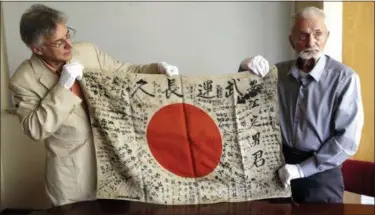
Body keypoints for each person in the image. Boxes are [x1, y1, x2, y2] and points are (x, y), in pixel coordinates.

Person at [9, 4, 179, 207]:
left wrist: (156, 69)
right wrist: (63, 87)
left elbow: (123, 70)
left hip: (115, 165)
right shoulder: (22, 79)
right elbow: (35, 129)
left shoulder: (88, 51)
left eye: (68, 35)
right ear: (37, 49)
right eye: (59, 42)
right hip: (72, 177)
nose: (69, 45)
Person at [239, 6, 364, 203]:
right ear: (291, 40)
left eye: (317, 34)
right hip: (278, 170)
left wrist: (301, 169)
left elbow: (347, 141)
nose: (311, 42)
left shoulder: (344, 78)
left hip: (321, 175)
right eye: (303, 36)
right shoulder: (276, 73)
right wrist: (245, 66)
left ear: (327, 37)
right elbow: (243, 95)